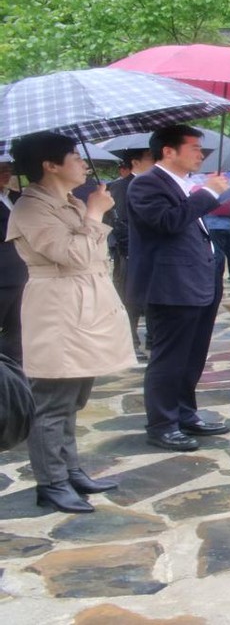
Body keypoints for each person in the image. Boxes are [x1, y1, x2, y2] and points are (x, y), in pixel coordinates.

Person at [7, 131, 136, 512]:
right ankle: (52, 482)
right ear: (50, 165)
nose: (82, 162)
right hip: (57, 310)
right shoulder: (31, 207)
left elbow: (94, 253)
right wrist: (95, 213)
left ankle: (70, 468)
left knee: (74, 396)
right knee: (52, 400)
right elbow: (74, 255)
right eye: (74, 156)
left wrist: (91, 211)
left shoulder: (66, 202)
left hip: (85, 305)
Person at [127, 124, 230, 452]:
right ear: (168, 151)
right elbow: (168, 222)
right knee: (169, 358)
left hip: (199, 281)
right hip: (170, 285)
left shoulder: (186, 184)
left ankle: (185, 413)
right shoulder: (146, 184)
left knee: (193, 355)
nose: (200, 154)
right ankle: (161, 424)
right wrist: (209, 193)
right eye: (194, 148)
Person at [108, 149, 156, 359]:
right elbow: (121, 222)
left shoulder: (154, 184)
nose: (155, 161)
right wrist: (130, 251)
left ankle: (154, 338)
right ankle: (131, 341)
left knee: (153, 297)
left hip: (153, 253)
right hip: (130, 253)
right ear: (135, 162)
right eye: (149, 158)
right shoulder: (122, 186)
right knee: (130, 298)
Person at [0, 161, 27, 362]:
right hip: (3, 276)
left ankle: (14, 377)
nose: (5, 173)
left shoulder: (14, 197)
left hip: (21, 274)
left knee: (18, 331)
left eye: (8, 168)